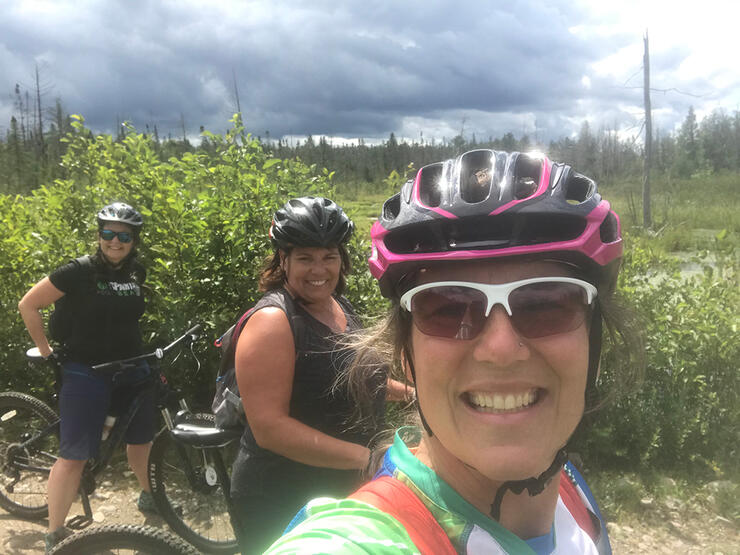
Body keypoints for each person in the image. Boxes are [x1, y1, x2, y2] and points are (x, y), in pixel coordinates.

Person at [263, 151, 644, 554]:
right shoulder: (353, 543)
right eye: (446, 309)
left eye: (546, 305)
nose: (500, 350)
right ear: (405, 353)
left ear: (594, 344)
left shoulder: (570, 490)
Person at [229, 196, 411, 554]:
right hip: (281, 495)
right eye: (305, 258)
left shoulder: (338, 306)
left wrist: (409, 393)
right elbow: (270, 429)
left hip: (339, 484)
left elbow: (351, 380)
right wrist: (368, 458)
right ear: (283, 260)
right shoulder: (273, 322)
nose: (319, 270)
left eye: (329, 257)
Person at [18, 202, 157, 552]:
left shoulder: (135, 272)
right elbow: (28, 305)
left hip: (130, 366)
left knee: (141, 438)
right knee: (75, 455)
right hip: (85, 369)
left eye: (124, 235)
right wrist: (48, 352)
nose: (115, 241)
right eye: (108, 233)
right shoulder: (76, 271)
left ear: (133, 240)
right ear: (98, 235)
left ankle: (149, 495)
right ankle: (55, 533)